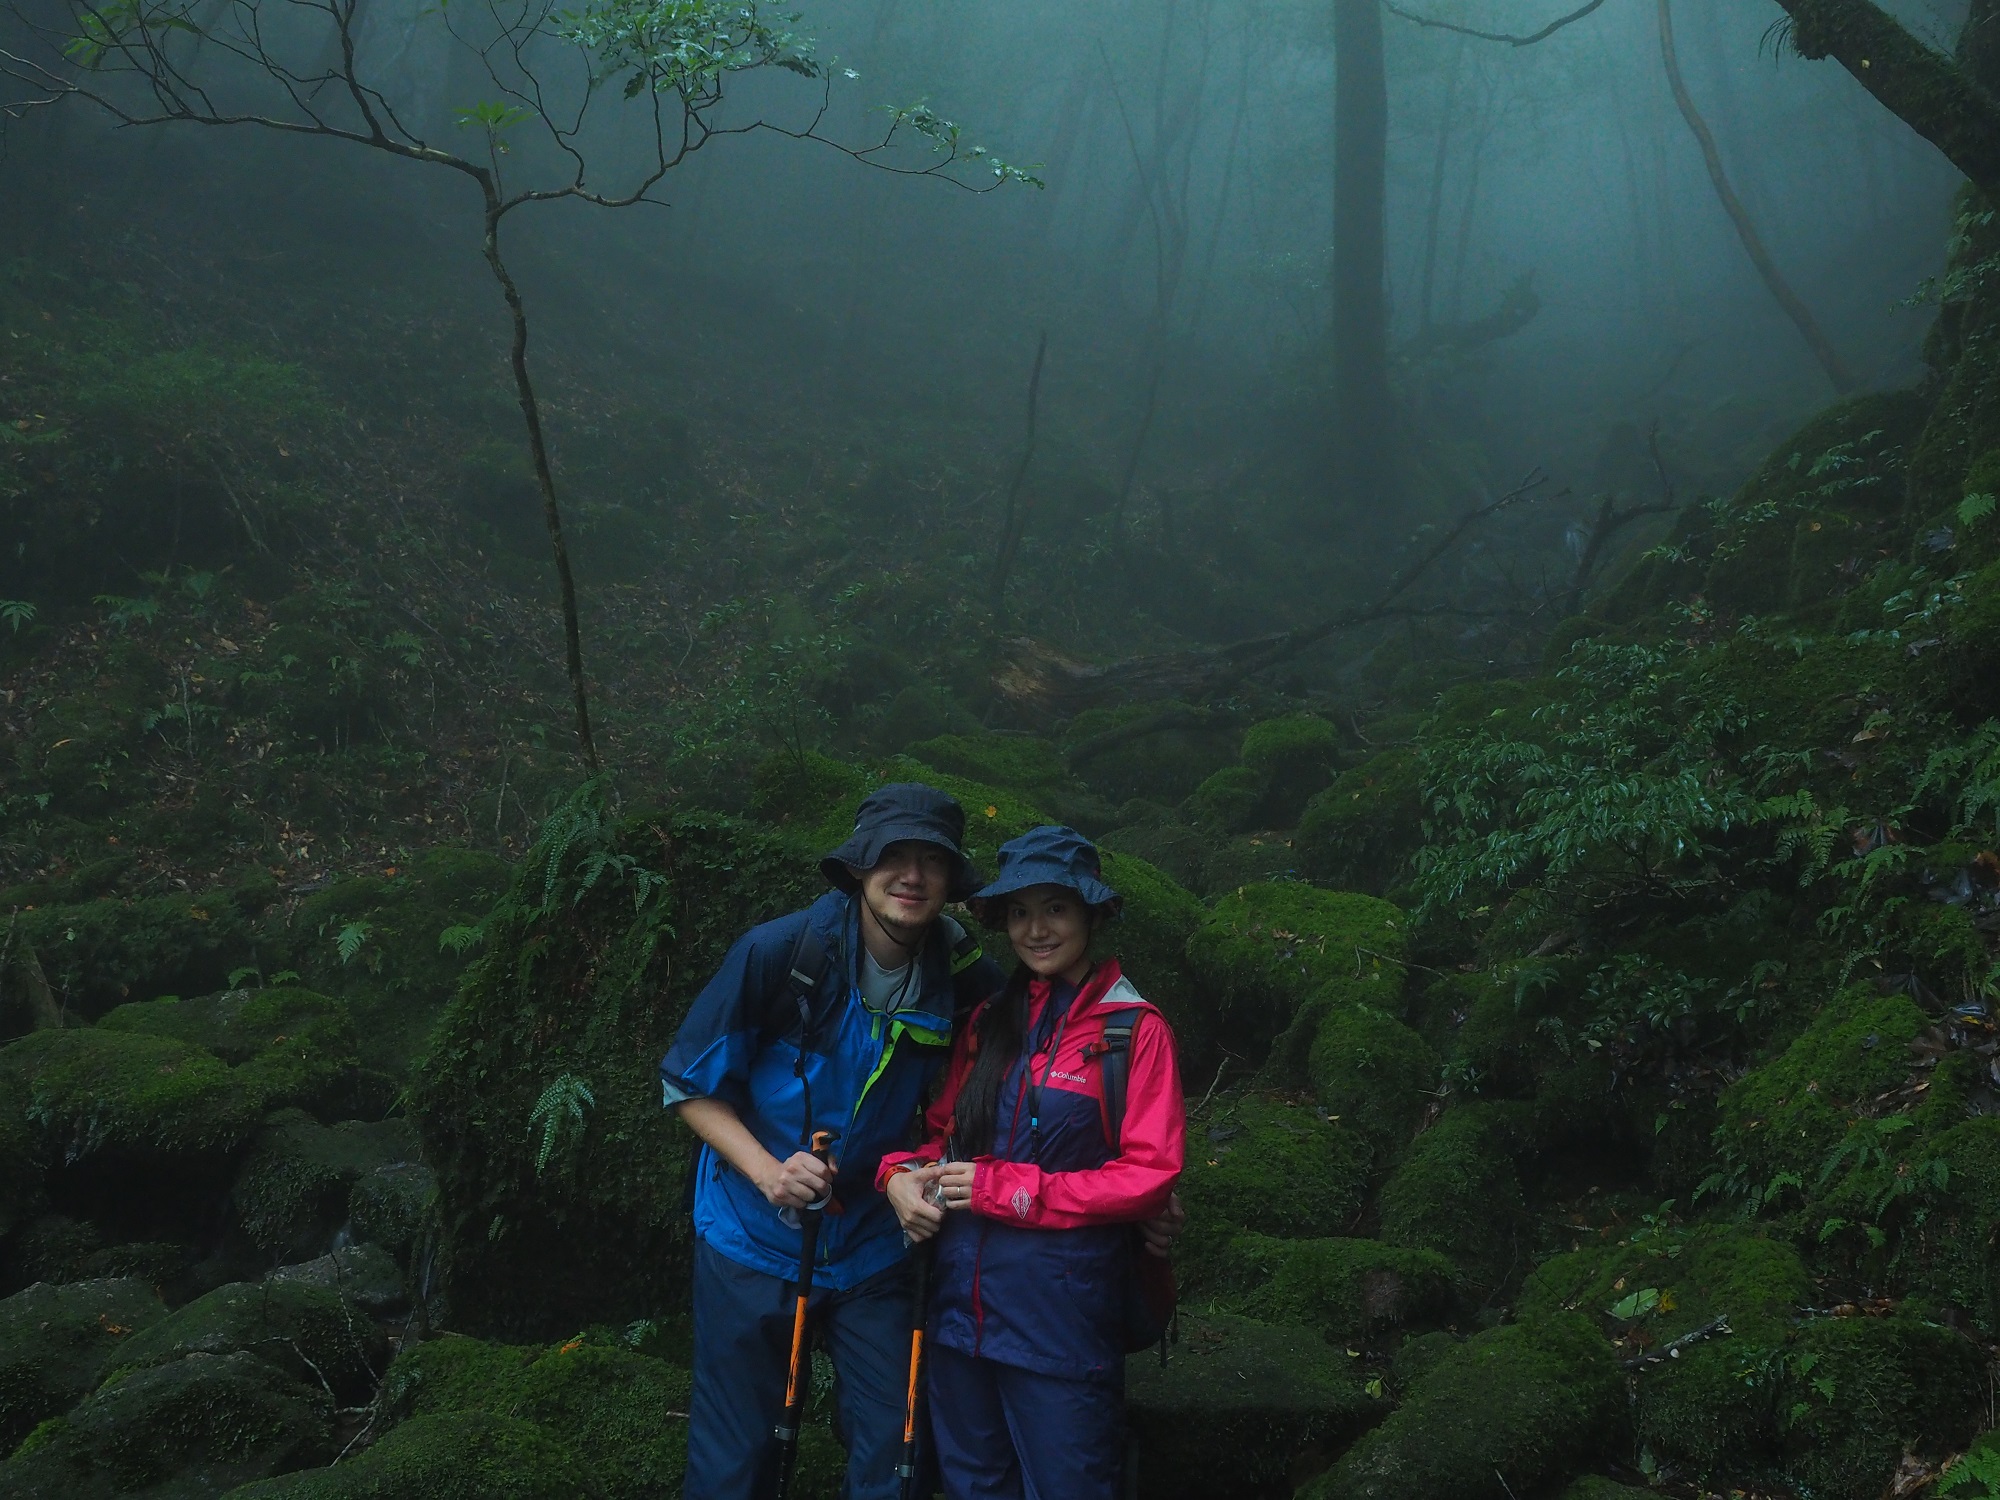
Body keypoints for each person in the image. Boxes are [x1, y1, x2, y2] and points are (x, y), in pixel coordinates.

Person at [660, 783, 1003, 1500]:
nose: (911, 876)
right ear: (858, 867)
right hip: (752, 1236)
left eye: (931, 862)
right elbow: (689, 1084)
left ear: (950, 881)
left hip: (874, 1238)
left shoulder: (960, 971)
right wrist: (765, 1172)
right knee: (736, 1458)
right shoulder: (780, 952)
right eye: (893, 857)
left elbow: (1037, 1058)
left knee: (901, 1445)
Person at [880, 825, 1186, 1500]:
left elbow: (1149, 1174)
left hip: (1062, 1330)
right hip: (961, 1321)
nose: (1036, 929)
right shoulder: (991, 1022)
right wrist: (897, 1177)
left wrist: (1007, 1189)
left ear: (1091, 914)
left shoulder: (1131, 1032)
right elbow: (943, 1140)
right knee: (974, 1486)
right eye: (1020, 912)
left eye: (1055, 908)